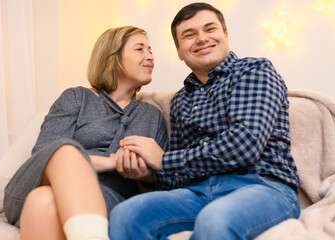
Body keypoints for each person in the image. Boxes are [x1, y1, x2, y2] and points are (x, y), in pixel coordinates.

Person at [109, 2, 300, 240]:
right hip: (197, 193)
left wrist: (162, 159)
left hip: (263, 188)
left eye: (210, 29)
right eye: (189, 35)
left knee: (215, 220)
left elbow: (244, 145)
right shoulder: (180, 100)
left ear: (225, 35)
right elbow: (177, 175)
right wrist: (149, 175)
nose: (201, 39)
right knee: (126, 214)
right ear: (179, 50)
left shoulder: (254, 71)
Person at [3, 26, 168, 240]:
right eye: (140, 49)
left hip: (108, 199)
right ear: (113, 57)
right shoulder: (76, 98)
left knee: (44, 201)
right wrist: (112, 162)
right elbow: (45, 154)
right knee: (65, 151)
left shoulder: (153, 116)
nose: (150, 57)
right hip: (31, 187)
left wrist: (145, 175)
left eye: (150, 50)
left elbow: (163, 184)